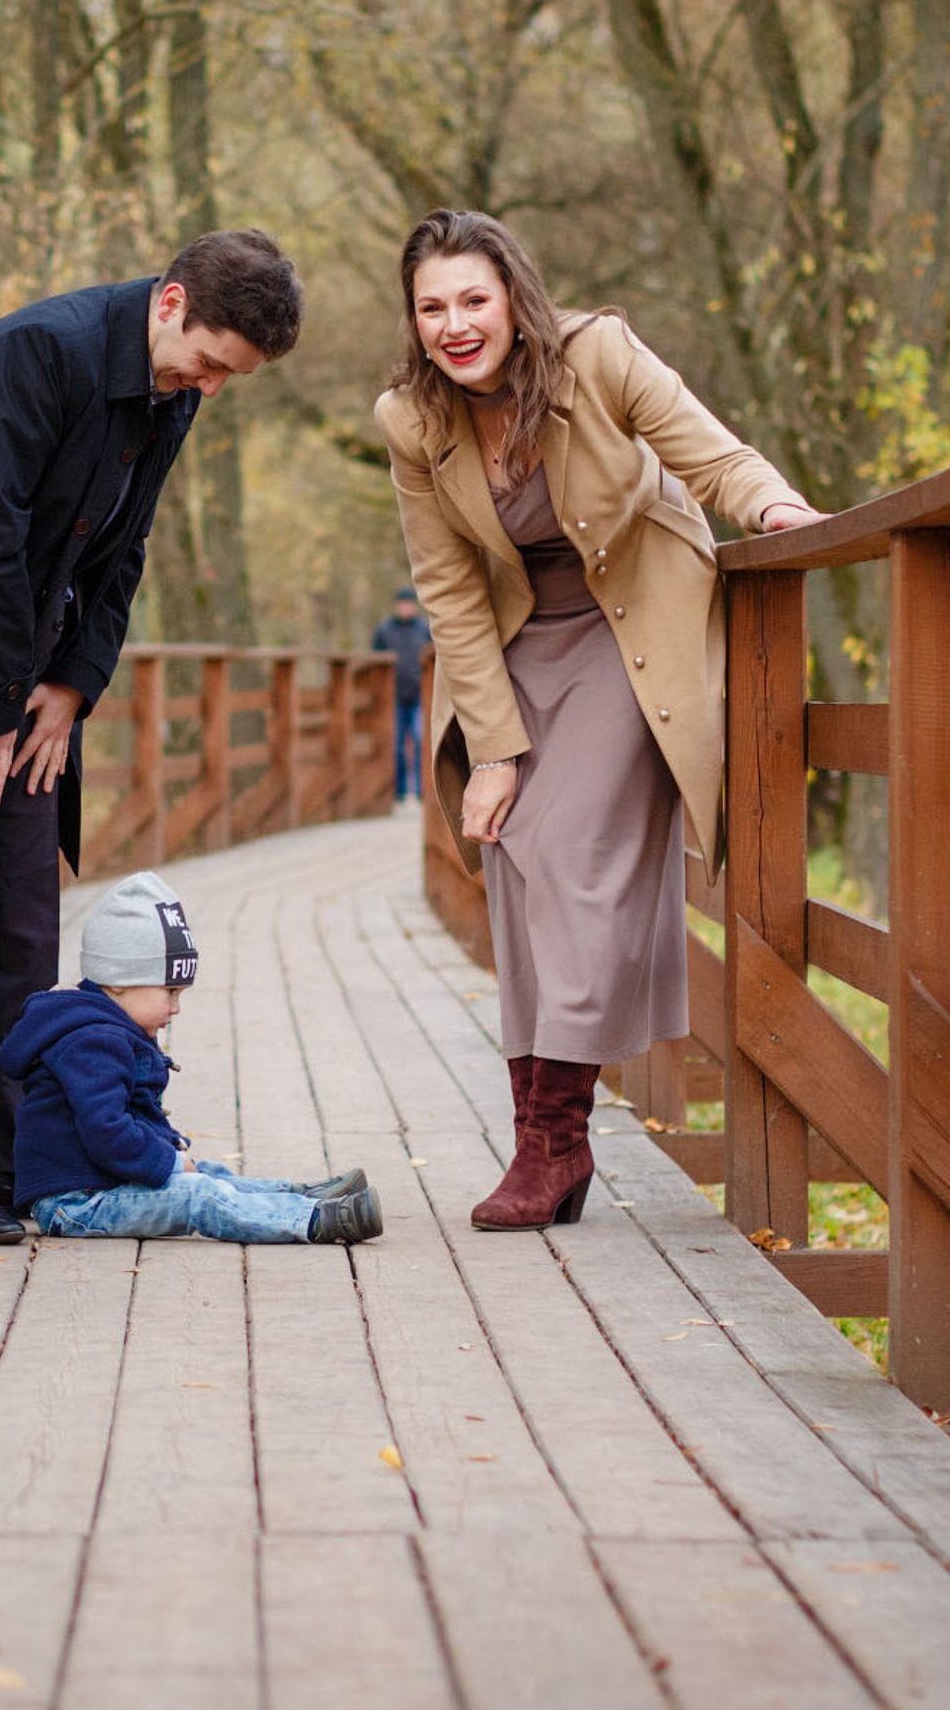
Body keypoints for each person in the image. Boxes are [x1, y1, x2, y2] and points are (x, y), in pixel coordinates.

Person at [0, 232, 304, 1244]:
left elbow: (123, 554)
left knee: (27, 908)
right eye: (211, 362)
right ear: (169, 303)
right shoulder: (35, 352)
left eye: (230, 379)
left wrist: (74, 686)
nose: (211, 388)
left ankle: (12, 1158)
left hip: (29, 672)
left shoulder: (168, 396)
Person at [375, 210, 824, 1231]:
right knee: (519, 854)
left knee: (574, 847)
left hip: (636, 624)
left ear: (514, 297)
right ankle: (542, 1134)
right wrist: (491, 749)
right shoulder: (413, 419)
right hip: (521, 638)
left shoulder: (597, 356)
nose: (455, 324)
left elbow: (712, 459)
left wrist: (775, 509)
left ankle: (556, 1139)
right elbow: (446, 590)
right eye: (432, 306)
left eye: (473, 300)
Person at [2, 873, 382, 1244]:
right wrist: (166, 1162)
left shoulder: (109, 1025)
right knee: (199, 1194)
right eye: (169, 992)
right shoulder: (92, 1041)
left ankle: (298, 1196)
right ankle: (311, 1220)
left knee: (208, 1173)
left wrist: (170, 1159)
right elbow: (106, 1132)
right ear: (118, 979)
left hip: (103, 1182)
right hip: (77, 1203)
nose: (176, 1007)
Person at [371, 585, 432, 799]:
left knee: (419, 741)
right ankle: (396, 792)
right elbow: (375, 662)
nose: (406, 608)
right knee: (395, 744)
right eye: (402, 604)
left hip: (418, 695)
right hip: (393, 697)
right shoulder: (384, 630)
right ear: (397, 606)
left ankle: (421, 791)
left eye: (409, 604)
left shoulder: (424, 629)